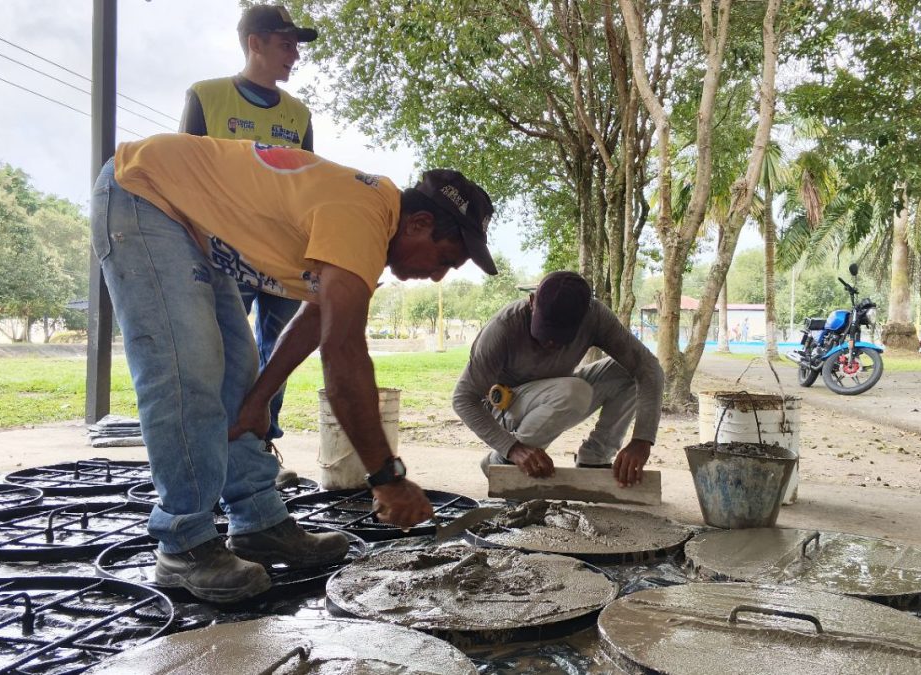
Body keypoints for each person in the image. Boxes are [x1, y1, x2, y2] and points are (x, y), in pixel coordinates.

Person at [91, 132, 497, 602]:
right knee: (189, 373)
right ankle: (183, 544)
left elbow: (315, 319)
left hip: (191, 221)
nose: (439, 275)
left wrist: (260, 398)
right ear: (420, 223)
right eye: (445, 259)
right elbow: (342, 353)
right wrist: (387, 478)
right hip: (145, 193)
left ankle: (257, 520)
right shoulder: (362, 214)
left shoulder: (369, 221)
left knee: (237, 379)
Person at [180, 3, 318, 488]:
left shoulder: (298, 114)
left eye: (297, 47)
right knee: (221, 355)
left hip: (280, 258)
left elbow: (307, 187)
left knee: (277, 354)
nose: (294, 56)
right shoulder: (207, 96)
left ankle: (260, 450)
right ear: (254, 43)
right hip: (222, 254)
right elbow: (183, 175)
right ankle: (218, 453)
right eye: (286, 44)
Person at [452, 271, 664, 487]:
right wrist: (512, 448)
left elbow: (649, 368)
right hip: (505, 407)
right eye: (544, 329)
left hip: (557, 393)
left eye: (561, 335)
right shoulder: (504, 327)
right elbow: (463, 398)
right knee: (574, 392)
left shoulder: (595, 316)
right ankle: (502, 461)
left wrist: (642, 440)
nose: (550, 343)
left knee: (628, 371)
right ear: (532, 301)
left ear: (585, 316)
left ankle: (595, 459)